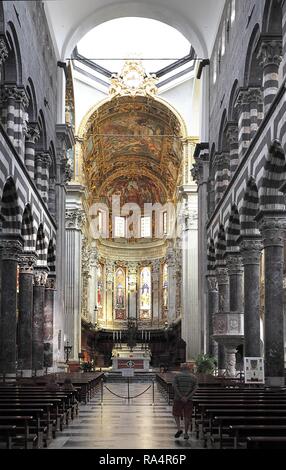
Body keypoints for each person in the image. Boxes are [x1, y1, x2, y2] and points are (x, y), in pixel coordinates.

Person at [172, 363, 198, 440]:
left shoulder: (177, 376)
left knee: (176, 414)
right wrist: (187, 397)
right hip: (189, 400)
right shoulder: (194, 377)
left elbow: (175, 387)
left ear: (181, 369)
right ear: (189, 369)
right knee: (187, 416)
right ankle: (186, 433)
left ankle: (179, 428)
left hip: (178, 399)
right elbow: (195, 388)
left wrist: (181, 396)